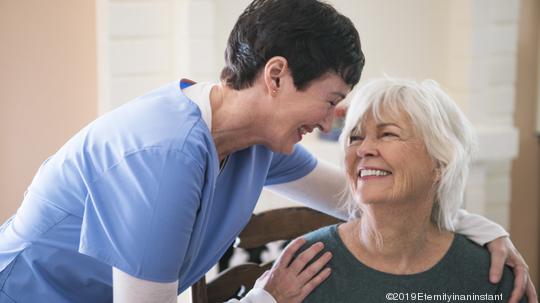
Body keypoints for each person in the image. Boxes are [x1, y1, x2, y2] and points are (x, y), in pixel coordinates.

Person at [0, 0, 534, 302]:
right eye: (329, 102)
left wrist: (483, 231)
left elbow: (358, 199)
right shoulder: (163, 156)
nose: (331, 124)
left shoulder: (254, 139)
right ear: (276, 75)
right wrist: (265, 301)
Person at [298, 78, 531, 302]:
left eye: (388, 134)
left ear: (440, 164)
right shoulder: (304, 265)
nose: (364, 149)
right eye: (355, 137)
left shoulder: (491, 275)